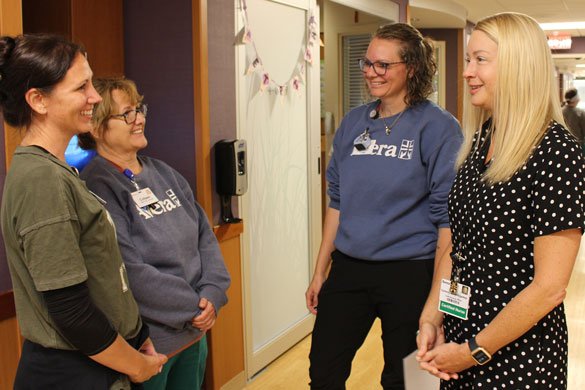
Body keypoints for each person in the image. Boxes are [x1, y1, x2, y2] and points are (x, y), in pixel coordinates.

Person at [416, 12, 585, 389]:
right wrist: (432, 316)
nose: (467, 72)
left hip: (517, 357)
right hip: (462, 340)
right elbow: (460, 246)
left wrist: (473, 350)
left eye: (480, 60)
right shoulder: (480, 142)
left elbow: (549, 288)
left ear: (517, 67)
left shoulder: (555, 153)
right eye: (468, 59)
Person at [0, 34, 167, 389]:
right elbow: (70, 310)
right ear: (38, 100)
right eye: (82, 87)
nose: (95, 97)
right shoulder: (41, 180)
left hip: (99, 363)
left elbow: (102, 277)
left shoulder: (58, 170)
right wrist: (135, 364)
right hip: (71, 374)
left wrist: (137, 335)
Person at [305, 23, 462, 389]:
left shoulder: (438, 128)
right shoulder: (353, 123)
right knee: (323, 371)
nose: (371, 72)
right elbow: (338, 202)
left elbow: (447, 222)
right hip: (349, 268)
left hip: (410, 271)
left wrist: (436, 303)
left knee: (408, 378)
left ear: (412, 68)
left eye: (383, 65)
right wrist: (320, 270)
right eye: (367, 63)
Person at [78, 77, 231, 390]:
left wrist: (213, 292)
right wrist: (194, 307)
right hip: (148, 345)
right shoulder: (97, 185)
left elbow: (205, 236)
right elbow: (127, 269)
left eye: (139, 110)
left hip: (194, 332)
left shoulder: (164, 173)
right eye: (127, 114)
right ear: (95, 127)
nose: (140, 119)